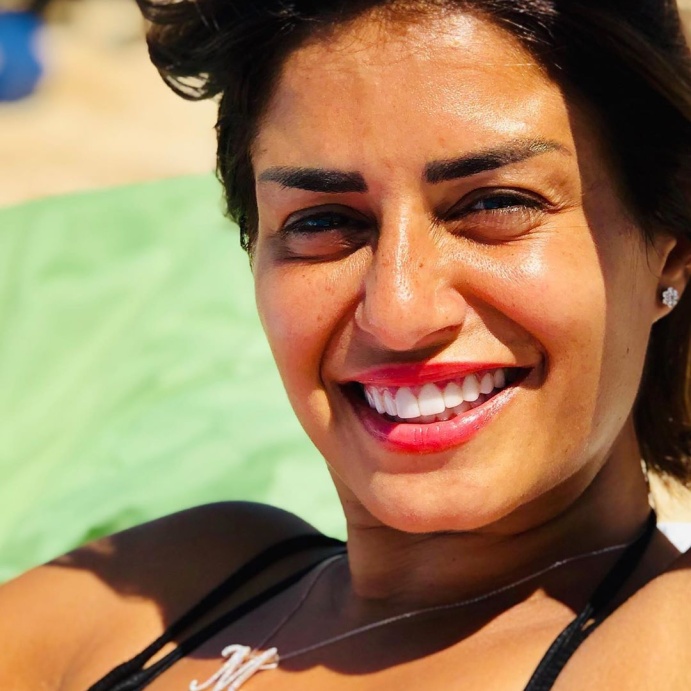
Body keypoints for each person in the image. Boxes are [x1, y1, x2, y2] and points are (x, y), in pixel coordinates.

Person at [1, 0, 691, 688]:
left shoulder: (661, 637)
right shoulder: (174, 582)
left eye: (494, 204)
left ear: (672, 252)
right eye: (323, 221)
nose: (397, 312)